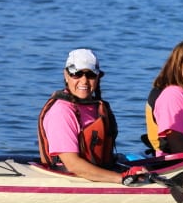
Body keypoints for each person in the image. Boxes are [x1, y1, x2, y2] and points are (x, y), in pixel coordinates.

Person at [37, 48, 130, 183]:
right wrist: (122, 178)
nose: (84, 81)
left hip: (96, 172)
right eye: (77, 74)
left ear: (98, 77)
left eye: (90, 75)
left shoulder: (96, 106)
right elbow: (73, 165)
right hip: (69, 177)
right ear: (66, 75)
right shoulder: (62, 112)